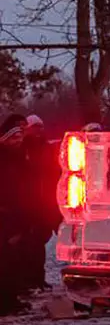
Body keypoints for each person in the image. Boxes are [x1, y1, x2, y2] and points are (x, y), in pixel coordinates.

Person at [19, 115, 62, 291]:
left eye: (40, 127)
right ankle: (28, 279)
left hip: (48, 200)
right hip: (28, 202)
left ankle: (37, 278)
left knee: (40, 241)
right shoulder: (22, 149)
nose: (37, 131)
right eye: (34, 128)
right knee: (29, 243)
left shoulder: (47, 148)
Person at [0, 114, 31, 314]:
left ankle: (11, 297)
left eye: (20, 138)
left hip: (17, 211)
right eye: (14, 138)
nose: (18, 142)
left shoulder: (19, 158)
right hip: (4, 212)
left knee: (14, 258)